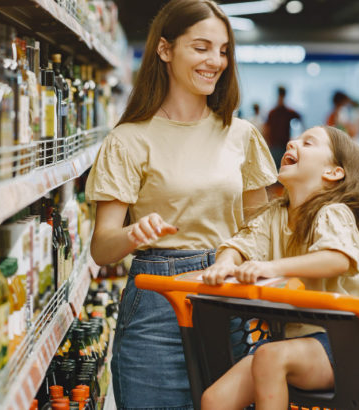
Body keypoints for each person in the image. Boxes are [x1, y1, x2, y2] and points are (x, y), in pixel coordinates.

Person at [84, 0, 278, 408]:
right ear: (165, 49)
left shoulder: (240, 134)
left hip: (231, 297)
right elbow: (101, 248)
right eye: (202, 47)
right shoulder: (129, 140)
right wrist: (133, 233)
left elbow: (262, 229)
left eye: (223, 50)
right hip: (158, 304)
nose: (216, 61)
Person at [200, 125, 359, 410]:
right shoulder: (274, 215)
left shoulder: (333, 212)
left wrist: (271, 268)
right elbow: (240, 245)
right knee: (214, 399)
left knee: (270, 357)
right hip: (291, 344)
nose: (294, 142)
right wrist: (223, 265)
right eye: (296, 138)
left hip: (348, 345)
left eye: (309, 143)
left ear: (333, 172)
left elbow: (336, 259)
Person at [264, 85, 303, 166]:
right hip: (277, 146)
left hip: (281, 146)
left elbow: (266, 130)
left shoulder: (274, 112)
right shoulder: (276, 112)